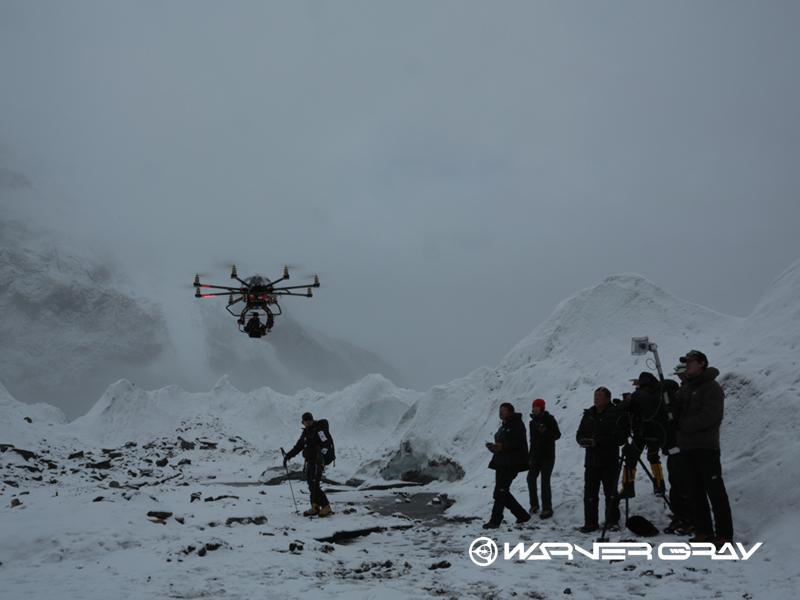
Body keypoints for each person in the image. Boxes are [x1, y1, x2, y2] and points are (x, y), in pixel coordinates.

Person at [675, 350, 733, 548]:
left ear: (701, 363)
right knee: (695, 491)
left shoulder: (712, 387)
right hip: (687, 446)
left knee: (715, 491)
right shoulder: (685, 389)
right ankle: (705, 531)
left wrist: (683, 426)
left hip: (706, 446)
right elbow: (673, 410)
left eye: (690, 362)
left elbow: (710, 416)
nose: (687, 365)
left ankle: (724, 534)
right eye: (686, 362)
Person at [575, 387, 626, 533]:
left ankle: (612, 521)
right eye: (595, 395)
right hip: (591, 461)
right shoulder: (588, 414)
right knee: (590, 493)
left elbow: (620, 438)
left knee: (611, 492)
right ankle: (590, 522)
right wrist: (583, 441)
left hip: (609, 460)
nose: (596, 398)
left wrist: (600, 441)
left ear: (608, 399)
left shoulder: (614, 414)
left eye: (600, 395)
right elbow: (579, 434)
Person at [483, 402, 531, 529]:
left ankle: (495, 520)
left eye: (504, 410)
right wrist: (494, 448)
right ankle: (521, 515)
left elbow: (520, 441)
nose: (501, 412)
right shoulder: (502, 427)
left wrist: (503, 447)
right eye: (500, 410)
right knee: (500, 492)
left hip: (512, 463)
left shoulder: (516, 424)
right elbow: (502, 445)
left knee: (500, 491)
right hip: (501, 462)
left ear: (511, 412)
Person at [283, 412, 333, 517]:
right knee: (311, 485)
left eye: (310, 419)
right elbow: (298, 447)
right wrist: (288, 456)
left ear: (312, 419)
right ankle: (315, 506)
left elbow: (326, 444)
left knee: (315, 485)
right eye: (306, 419)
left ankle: (326, 507)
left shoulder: (319, 430)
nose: (308, 421)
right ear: (303, 422)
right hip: (310, 462)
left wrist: (321, 457)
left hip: (318, 462)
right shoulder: (305, 433)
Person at [526, 398, 561, 519]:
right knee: (530, 478)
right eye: (534, 406)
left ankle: (547, 508)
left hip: (547, 455)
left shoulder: (550, 420)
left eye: (537, 407)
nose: (535, 408)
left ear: (542, 408)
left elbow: (557, 435)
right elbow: (532, 440)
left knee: (545, 481)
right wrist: (530, 455)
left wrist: (545, 431)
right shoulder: (532, 422)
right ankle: (534, 505)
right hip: (535, 455)